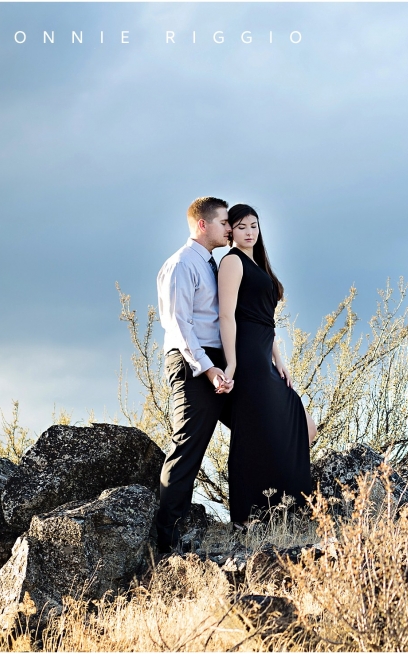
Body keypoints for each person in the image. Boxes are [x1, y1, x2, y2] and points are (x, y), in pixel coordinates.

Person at [218, 203, 316, 526]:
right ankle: (246, 517)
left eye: (254, 226)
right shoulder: (232, 262)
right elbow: (228, 316)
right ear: (231, 231)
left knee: (299, 427)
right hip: (247, 356)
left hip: (264, 355)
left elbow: (267, 321)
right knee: (254, 431)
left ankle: (281, 508)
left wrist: (280, 359)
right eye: (242, 226)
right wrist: (231, 363)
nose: (249, 232)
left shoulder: (257, 263)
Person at [155, 196, 235, 554]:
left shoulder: (214, 264)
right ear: (203, 224)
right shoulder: (180, 265)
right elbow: (179, 326)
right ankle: (168, 543)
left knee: (260, 425)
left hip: (218, 363)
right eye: (224, 222)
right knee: (188, 446)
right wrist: (207, 369)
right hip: (192, 364)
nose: (229, 229)